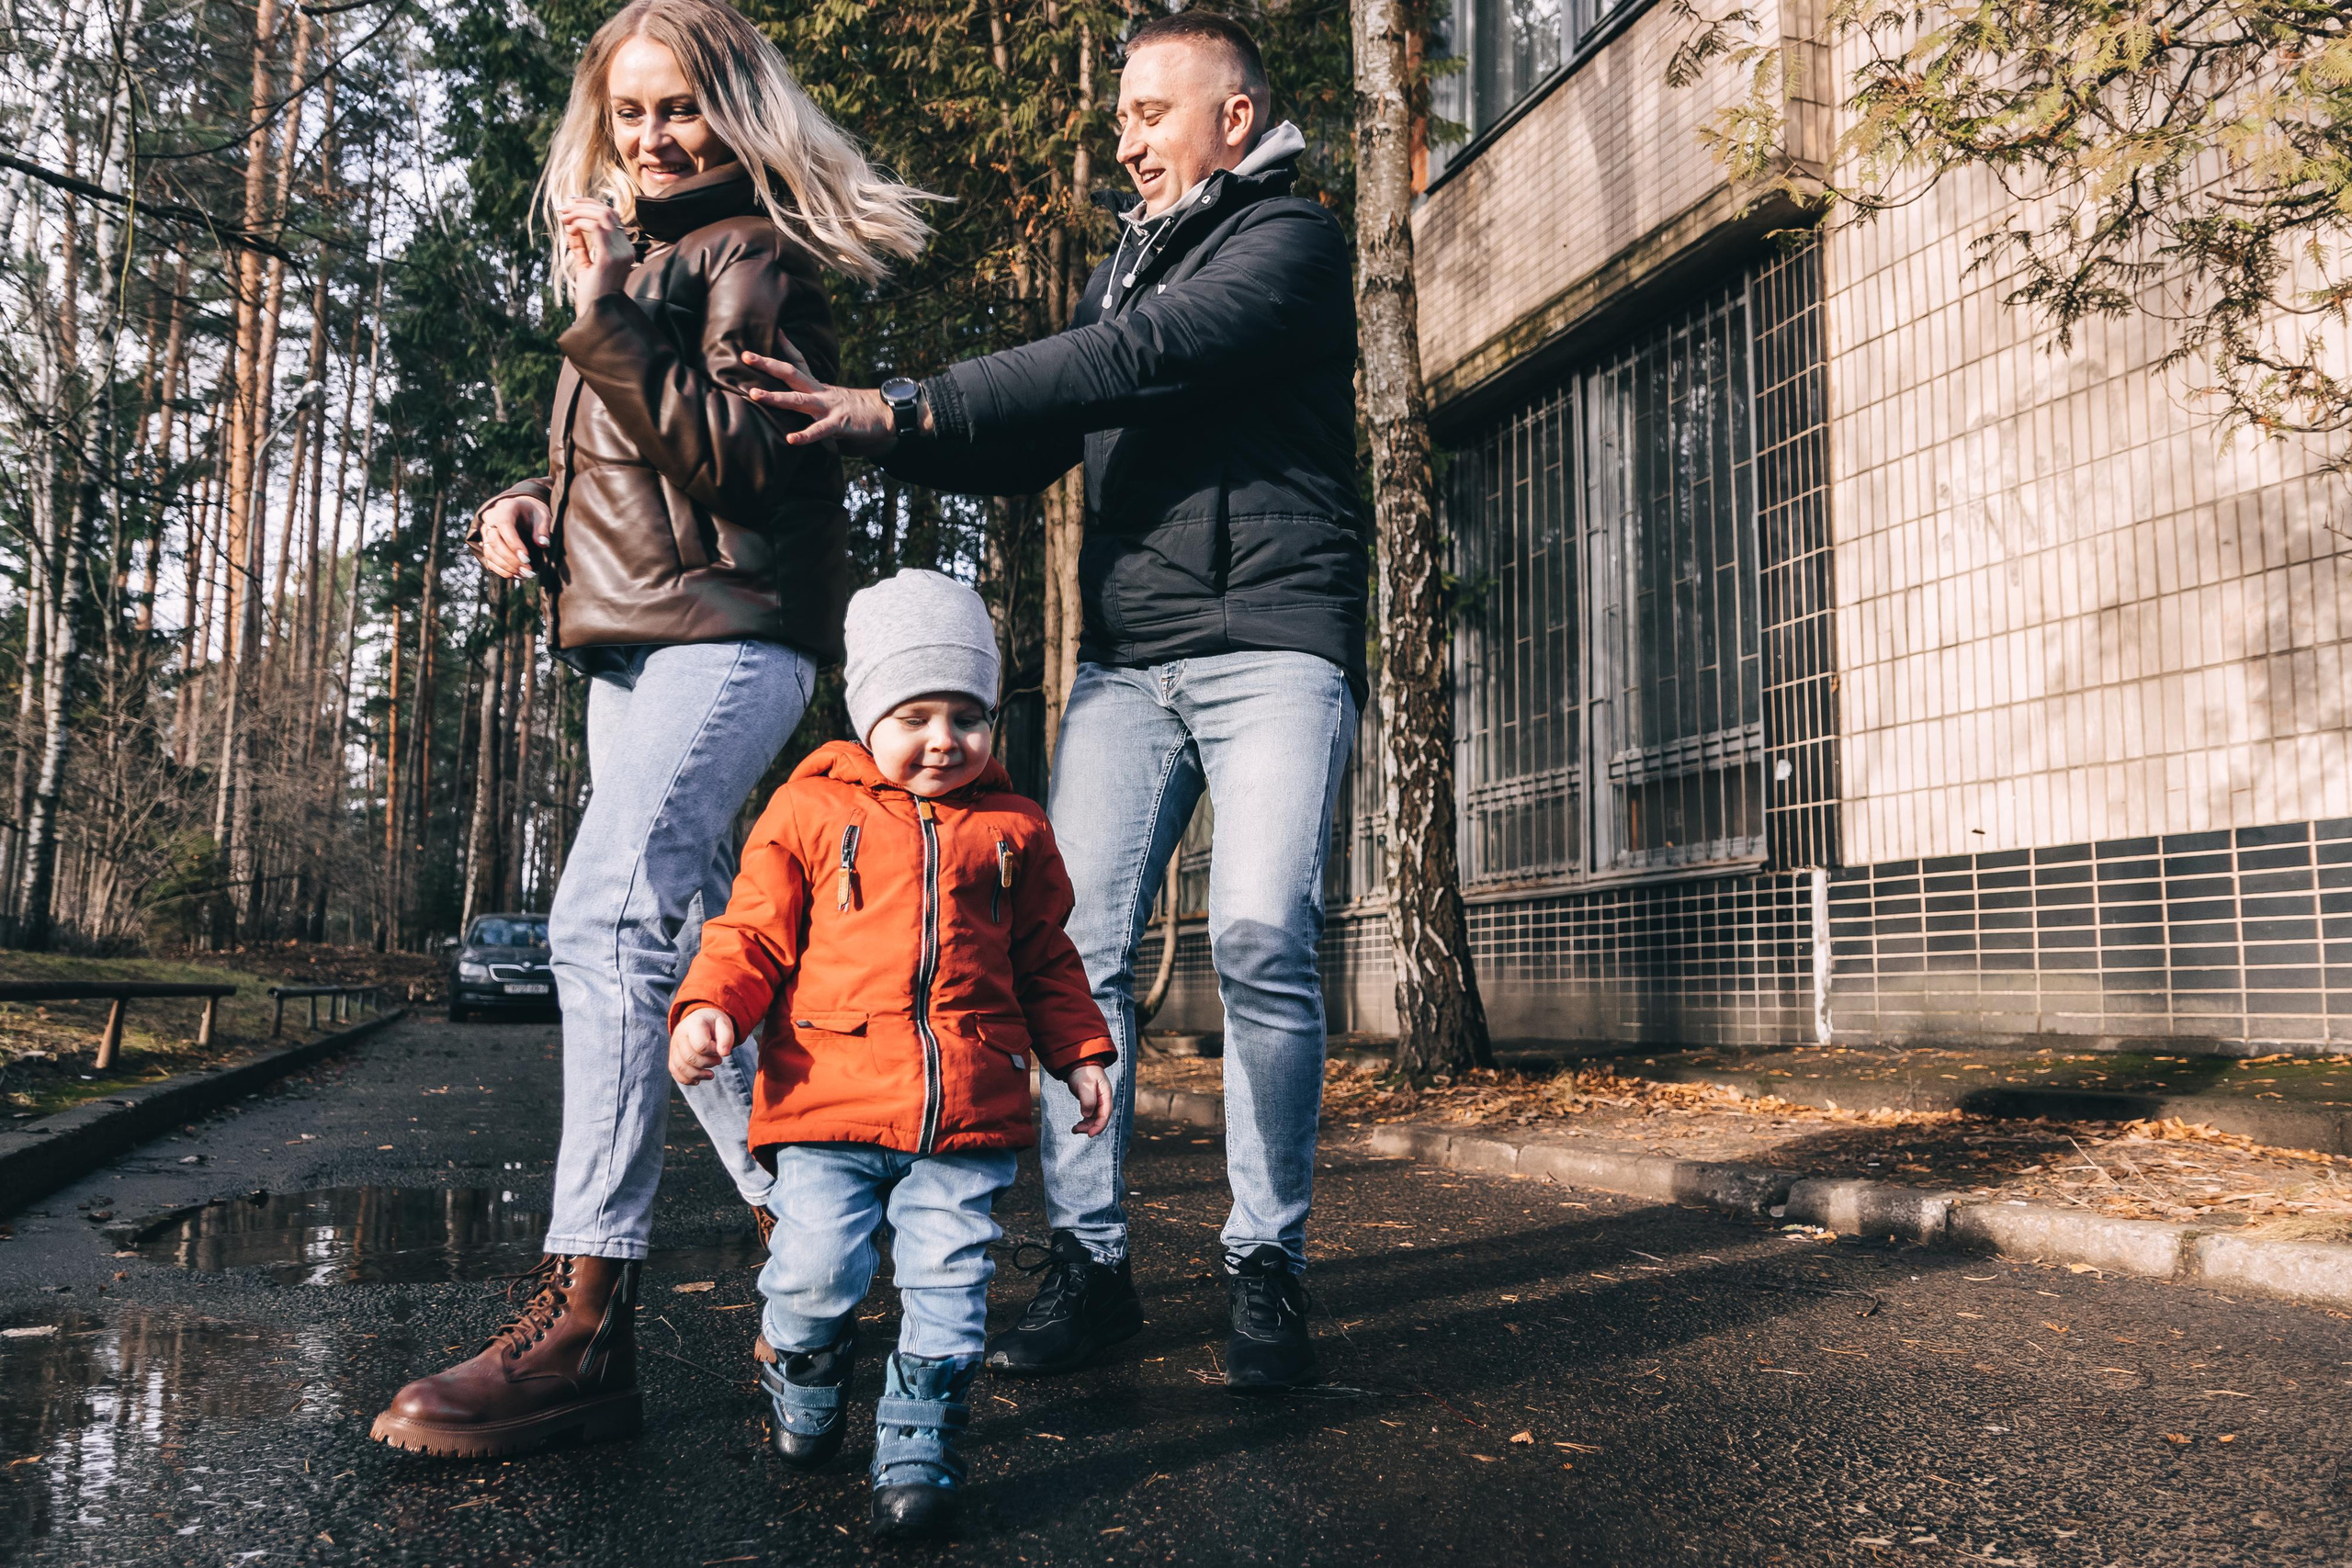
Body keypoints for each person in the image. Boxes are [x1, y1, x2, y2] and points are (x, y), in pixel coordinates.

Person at [735, 12, 1364, 1393]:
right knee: (1067, 952)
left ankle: (1269, 1265)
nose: (1125, 138)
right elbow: (1037, 442)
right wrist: (861, 434)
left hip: (1274, 641)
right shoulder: (1116, 274)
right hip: (1131, 654)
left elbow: (1138, 363)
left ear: (1236, 120)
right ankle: (1093, 1260)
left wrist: (902, 401)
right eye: (1123, 115)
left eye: (1150, 111)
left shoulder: (1291, 247)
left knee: (1260, 932)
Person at [368, 0, 927, 1459]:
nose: (653, 136)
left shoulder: (751, 255)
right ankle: (814, 1226)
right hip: (632, 644)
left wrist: (607, 310)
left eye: (680, 107)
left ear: (735, 109)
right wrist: (529, 507)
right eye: (629, 114)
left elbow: (755, 461)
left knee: (604, 922)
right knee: (669, 957)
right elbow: (636, 463)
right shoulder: (649, 264)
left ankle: (586, 1323)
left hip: (730, 635)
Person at [666, 570, 1115, 1539]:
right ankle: (800, 1358)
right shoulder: (808, 813)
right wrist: (711, 1011)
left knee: (949, 1284)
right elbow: (750, 935)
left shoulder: (1015, 830)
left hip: (964, 1116)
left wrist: (1079, 1050)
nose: (944, 738)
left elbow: (1045, 957)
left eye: (967, 715)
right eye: (916, 714)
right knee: (815, 1268)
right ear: (867, 713)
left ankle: (917, 1441)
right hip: (825, 1102)